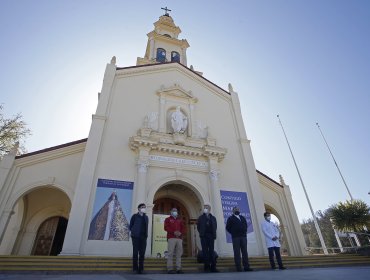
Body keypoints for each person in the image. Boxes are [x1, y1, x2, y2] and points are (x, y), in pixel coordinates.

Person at [226, 206, 253, 272]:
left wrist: (244, 231)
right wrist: (233, 232)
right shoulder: (230, 218)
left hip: (243, 237)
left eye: (238, 209)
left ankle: (246, 267)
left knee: (244, 252)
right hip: (235, 237)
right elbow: (227, 227)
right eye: (235, 209)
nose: (237, 210)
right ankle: (239, 268)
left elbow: (246, 226)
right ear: (233, 211)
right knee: (237, 252)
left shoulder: (242, 217)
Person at [197, 204, 219, 272]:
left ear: (209, 209)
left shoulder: (213, 218)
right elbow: (198, 227)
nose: (205, 209)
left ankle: (213, 267)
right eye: (204, 208)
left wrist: (213, 234)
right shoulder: (200, 217)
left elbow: (215, 227)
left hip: (211, 236)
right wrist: (202, 233)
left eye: (206, 208)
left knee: (211, 251)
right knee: (205, 251)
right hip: (204, 236)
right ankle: (206, 267)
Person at [164, 207, 185, 274]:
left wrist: (181, 233)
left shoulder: (180, 220)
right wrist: (174, 232)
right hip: (171, 238)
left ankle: (178, 268)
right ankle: (170, 269)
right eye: (173, 210)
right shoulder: (167, 219)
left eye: (176, 210)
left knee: (179, 254)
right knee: (170, 254)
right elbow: (166, 227)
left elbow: (183, 228)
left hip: (179, 238)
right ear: (171, 212)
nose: (175, 211)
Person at [129, 203, 148, 274]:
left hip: (143, 237)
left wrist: (146, 235)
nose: (144, 208)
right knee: (135, 253)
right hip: (136, 237)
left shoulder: (146, 217)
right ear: (139, 208)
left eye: (145, 207)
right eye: (143, 207)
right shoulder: (134, 216)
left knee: (142, 253)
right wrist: (134, 232)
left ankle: (141, 269)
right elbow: (130, 226)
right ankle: (135, 268)